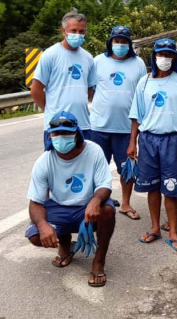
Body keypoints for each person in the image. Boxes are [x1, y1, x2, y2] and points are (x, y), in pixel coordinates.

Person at [25, 111, 115, 287]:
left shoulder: (93, 151)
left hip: (88, 208)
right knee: (35, 236)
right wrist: (43, 226)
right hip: (59, 207)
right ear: (50, 136)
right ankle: (65, 245)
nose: (61, 138)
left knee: (108, 211)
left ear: (77, 133)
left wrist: (95, 201)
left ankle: (99, 260)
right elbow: (35, 202)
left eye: (66, 133)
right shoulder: (44, 161)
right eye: (56, 134)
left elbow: (105, 185)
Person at [128, 38, 177, 251]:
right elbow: (136, 116)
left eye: (168, 55)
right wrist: (132, 143)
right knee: (152, 186)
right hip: (148, 139)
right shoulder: (144, 82)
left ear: (174, 57)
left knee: (172, 188)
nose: (164, 59)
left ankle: (173, 231)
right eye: (160, 54)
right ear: (154, 56)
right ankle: (155, 227)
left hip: (172, 141)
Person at [88, 26, 148, 221]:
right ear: (110, 42)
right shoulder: (98, 61)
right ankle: (97, 201)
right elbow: (90, 89)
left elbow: (142, 95)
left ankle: (125, 203)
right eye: (117, 41)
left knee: (127, 168)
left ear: (129, 44)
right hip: (99, 126)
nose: (120, 45)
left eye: (124, 42)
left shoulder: (138, 63)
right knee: (96, 166)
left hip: (125, 128)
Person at [30, 10, 97, 151]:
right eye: (73, 30)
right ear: (63, 31)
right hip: (57, 127)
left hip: (83, 125)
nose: (77, 35)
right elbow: (36, 89)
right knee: (57, 169)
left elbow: (90, 91)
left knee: (84, 169)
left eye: (81, 31)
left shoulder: (88, 58)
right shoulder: (50, 55)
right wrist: (50, 111)